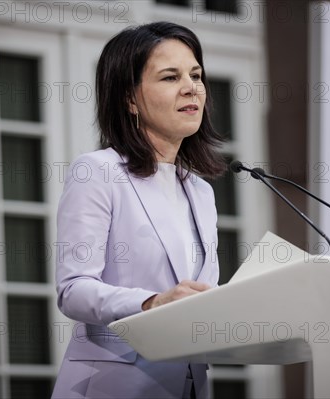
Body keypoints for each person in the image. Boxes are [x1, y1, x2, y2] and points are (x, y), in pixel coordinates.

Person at [52, 21, 225, 399]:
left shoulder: (200, 192)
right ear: (129, 99)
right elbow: (73, 289)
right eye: (170, 77)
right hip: (113, 386)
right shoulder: (97, 171)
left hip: (191, 384)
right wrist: (152, 302)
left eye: (196, 75)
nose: (191, 87)